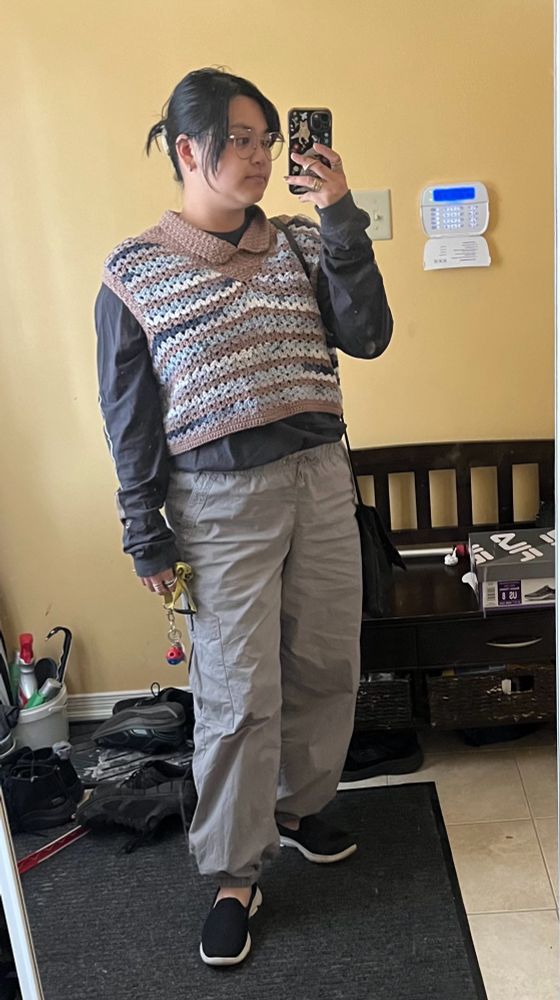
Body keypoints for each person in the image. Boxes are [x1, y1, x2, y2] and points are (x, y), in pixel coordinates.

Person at [95, 67, 393, 967]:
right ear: (188, 149)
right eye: (241, 139)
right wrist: (144, 529)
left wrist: (340, 216)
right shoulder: (134, 272)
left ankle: (297, 809)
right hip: (217, 504)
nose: (261, 156)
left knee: (327, 663)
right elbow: (128, 417)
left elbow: (368, 335)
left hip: (321, 478)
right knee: (235, 694)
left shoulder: (303, 242)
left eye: (267, 138)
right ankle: (234, 871)